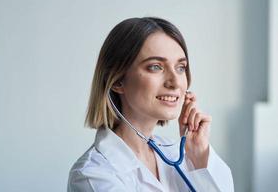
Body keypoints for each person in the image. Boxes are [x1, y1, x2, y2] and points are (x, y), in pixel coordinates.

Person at [67, 17, 234, 192]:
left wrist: (199, 156)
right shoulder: (92, 176)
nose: (175, 83)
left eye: (181, 67)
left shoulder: (180, 155)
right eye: (156, 67)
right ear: (117, 81)